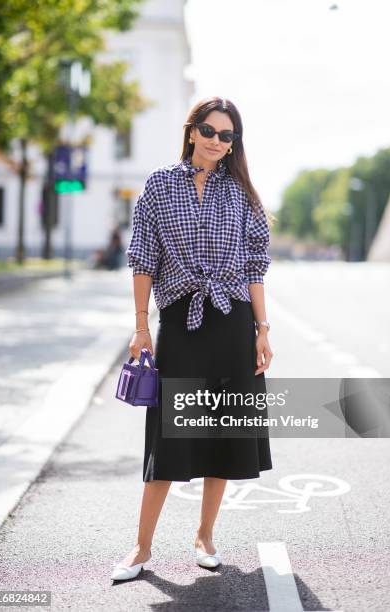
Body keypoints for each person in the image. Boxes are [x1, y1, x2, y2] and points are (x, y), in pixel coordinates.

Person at [111, 96, 274, 582]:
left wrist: (262, 331)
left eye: (227, 136)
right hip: (181, 323)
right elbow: (143, 259)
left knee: (223, 433)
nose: (217, 142)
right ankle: (141, 549)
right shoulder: (160, 185)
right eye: (209, 131)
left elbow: (254, 268)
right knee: (169, 436)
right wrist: (141, 326)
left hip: (232, 323)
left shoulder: (241, 194)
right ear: (191, 131)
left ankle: (205, 536)